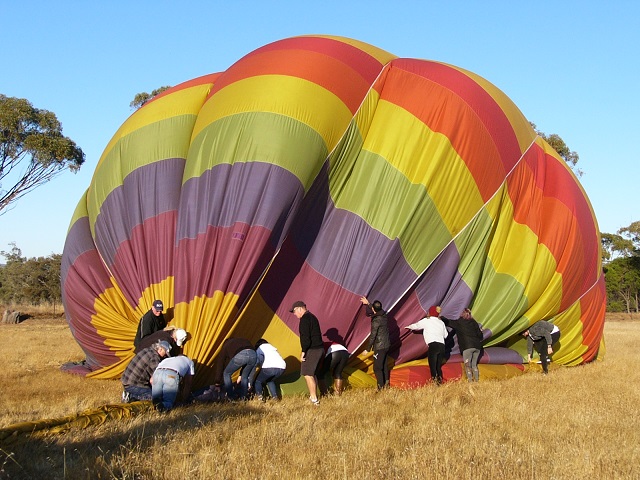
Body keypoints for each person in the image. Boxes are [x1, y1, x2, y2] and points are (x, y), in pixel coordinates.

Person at [290, 300, 324, 405]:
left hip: (312, 349)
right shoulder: (313, 317)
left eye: (294, 312)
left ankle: (314, 399)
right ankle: (313, 396)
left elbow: (305, 338)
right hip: (320, 349)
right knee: (312, 374)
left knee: (307, 374)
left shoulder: (304, 320)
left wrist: (303, 351)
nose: (295, 314)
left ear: (299, 309)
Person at [405, 305, 448, 385]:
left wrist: (408, 327)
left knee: (433, 367)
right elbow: (446, 335)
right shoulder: (441, 322)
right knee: (438, 367)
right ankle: (440, 383)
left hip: (433, 345)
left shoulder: (426, 321)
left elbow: (416, 326)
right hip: (442, 346)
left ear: (430, 312)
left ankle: (435, 384)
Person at [441, 308, 483, 382]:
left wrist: (441, 317)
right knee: (474, 365)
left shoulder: (460, 322)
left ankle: (470, 381)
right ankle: (476, 380)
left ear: (462, 314)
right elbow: (480, 335)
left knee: (467, 365)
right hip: (477, 347)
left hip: (467, 347)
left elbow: (448, 322)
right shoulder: (474, 323)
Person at [361, 296, 391, 390]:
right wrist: (368, 303)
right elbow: (376, 309)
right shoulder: (384, 315)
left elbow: (373, 336)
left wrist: (367, 349)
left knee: (377, 368)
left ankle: (380, 388)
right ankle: (386, 384)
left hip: (380, 346)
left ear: (373, 309)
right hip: (387, 345)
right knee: (384, 365)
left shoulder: (376, 321)